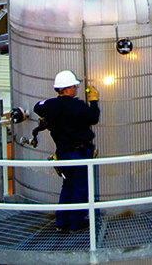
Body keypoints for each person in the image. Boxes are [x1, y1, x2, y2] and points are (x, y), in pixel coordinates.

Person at [34, 70, 100, 232]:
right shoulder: (76, 106)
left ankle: (62, 221)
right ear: (67, 89)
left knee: (68, 186)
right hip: (79, 153)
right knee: (80, 188)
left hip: (63, 154)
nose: (76, 88)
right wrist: (93, 101)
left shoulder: (49, 105)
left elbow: (38, 107)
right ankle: (76, 223)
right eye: (74, 86)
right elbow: (93, 118)